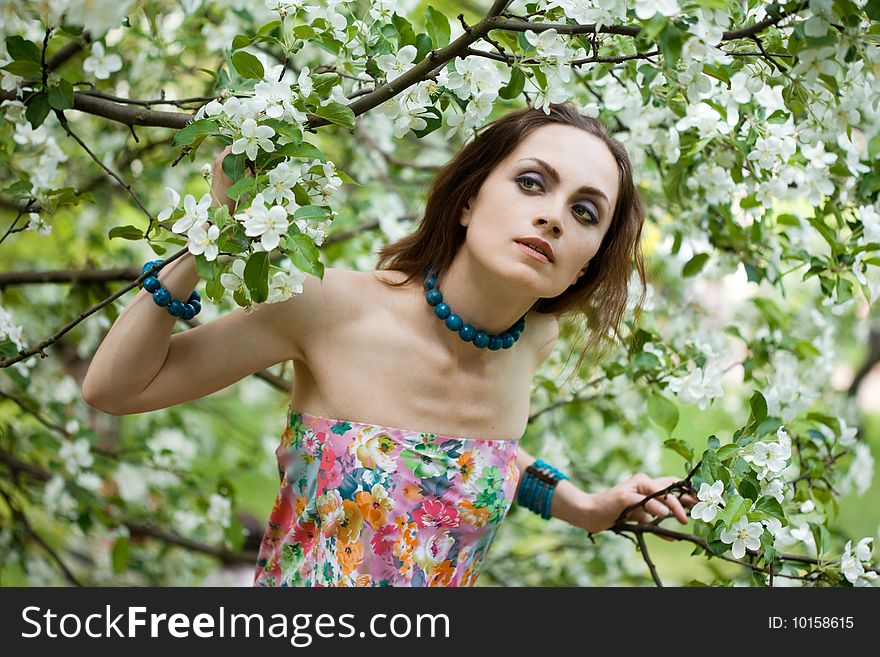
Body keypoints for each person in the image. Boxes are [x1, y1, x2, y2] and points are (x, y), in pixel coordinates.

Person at [82, 101, 698, 587]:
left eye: (586, 212)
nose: (554, 216)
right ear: (466, 201)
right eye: (532, 183)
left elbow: (478, 458)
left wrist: (585, 506)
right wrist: (208, 238)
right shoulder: (329, 308)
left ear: (583, 268)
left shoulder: (533, 342)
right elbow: (114, 388)